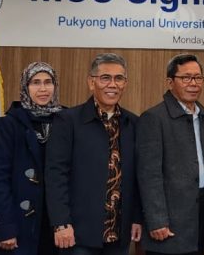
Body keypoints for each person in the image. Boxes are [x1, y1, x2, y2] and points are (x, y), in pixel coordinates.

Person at [45, 53, 143, 255]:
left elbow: (137, 177)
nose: (112, 84)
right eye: (105, 78)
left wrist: (136, 218)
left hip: (119, 232)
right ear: (91, 82)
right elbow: (56, 175)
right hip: (78, 233)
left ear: (125, 84)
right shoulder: (68, 121)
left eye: (119, 78)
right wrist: (61, 222)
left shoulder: (133, 123)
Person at [138, 53, 204, 255]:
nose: (193, 83)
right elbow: (149, 175)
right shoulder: (153, 118)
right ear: (170, 82)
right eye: (186, 78)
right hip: (169, 219)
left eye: (198, 77)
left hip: (201, 213)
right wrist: (157, 220)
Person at [0, 62, 63, 254]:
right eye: (35, 82)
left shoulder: (66, 120)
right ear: (25, 86)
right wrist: (6, 226)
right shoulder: (10, 123)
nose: (43, 89)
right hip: (20, 220)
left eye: (48, 82)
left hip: (57, 222)